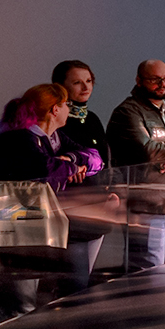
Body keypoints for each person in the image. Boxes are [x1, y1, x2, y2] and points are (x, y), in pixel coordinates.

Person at [0, 84, 102, 322]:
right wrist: (71, 166)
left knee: (25, 298)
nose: (70, 109)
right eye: (67, 104)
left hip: (34, 224)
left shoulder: (54, 137)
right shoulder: (16, 139)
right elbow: (45, 169)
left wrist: (71, 158)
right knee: (17, 302)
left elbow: (96, 158)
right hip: (15, 228)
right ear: (54, 109)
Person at [108, 60, 165, 273]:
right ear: (139, 81)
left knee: (161, 269)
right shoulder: (127, 112)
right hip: (144, 205)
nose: (162, 84)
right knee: (147, 271)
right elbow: (149, 150)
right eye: (155, 79)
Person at [53, 59, 111, 285]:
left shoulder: (92, 118)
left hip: (95, 205)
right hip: (68, 208)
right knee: (73, 282)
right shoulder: (58, 119)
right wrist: (69, 164)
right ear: (60, 86)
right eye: (77, 82)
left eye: (89, 81)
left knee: (83, 279)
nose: (85, 87)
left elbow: (102, 159)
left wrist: (109, 191)